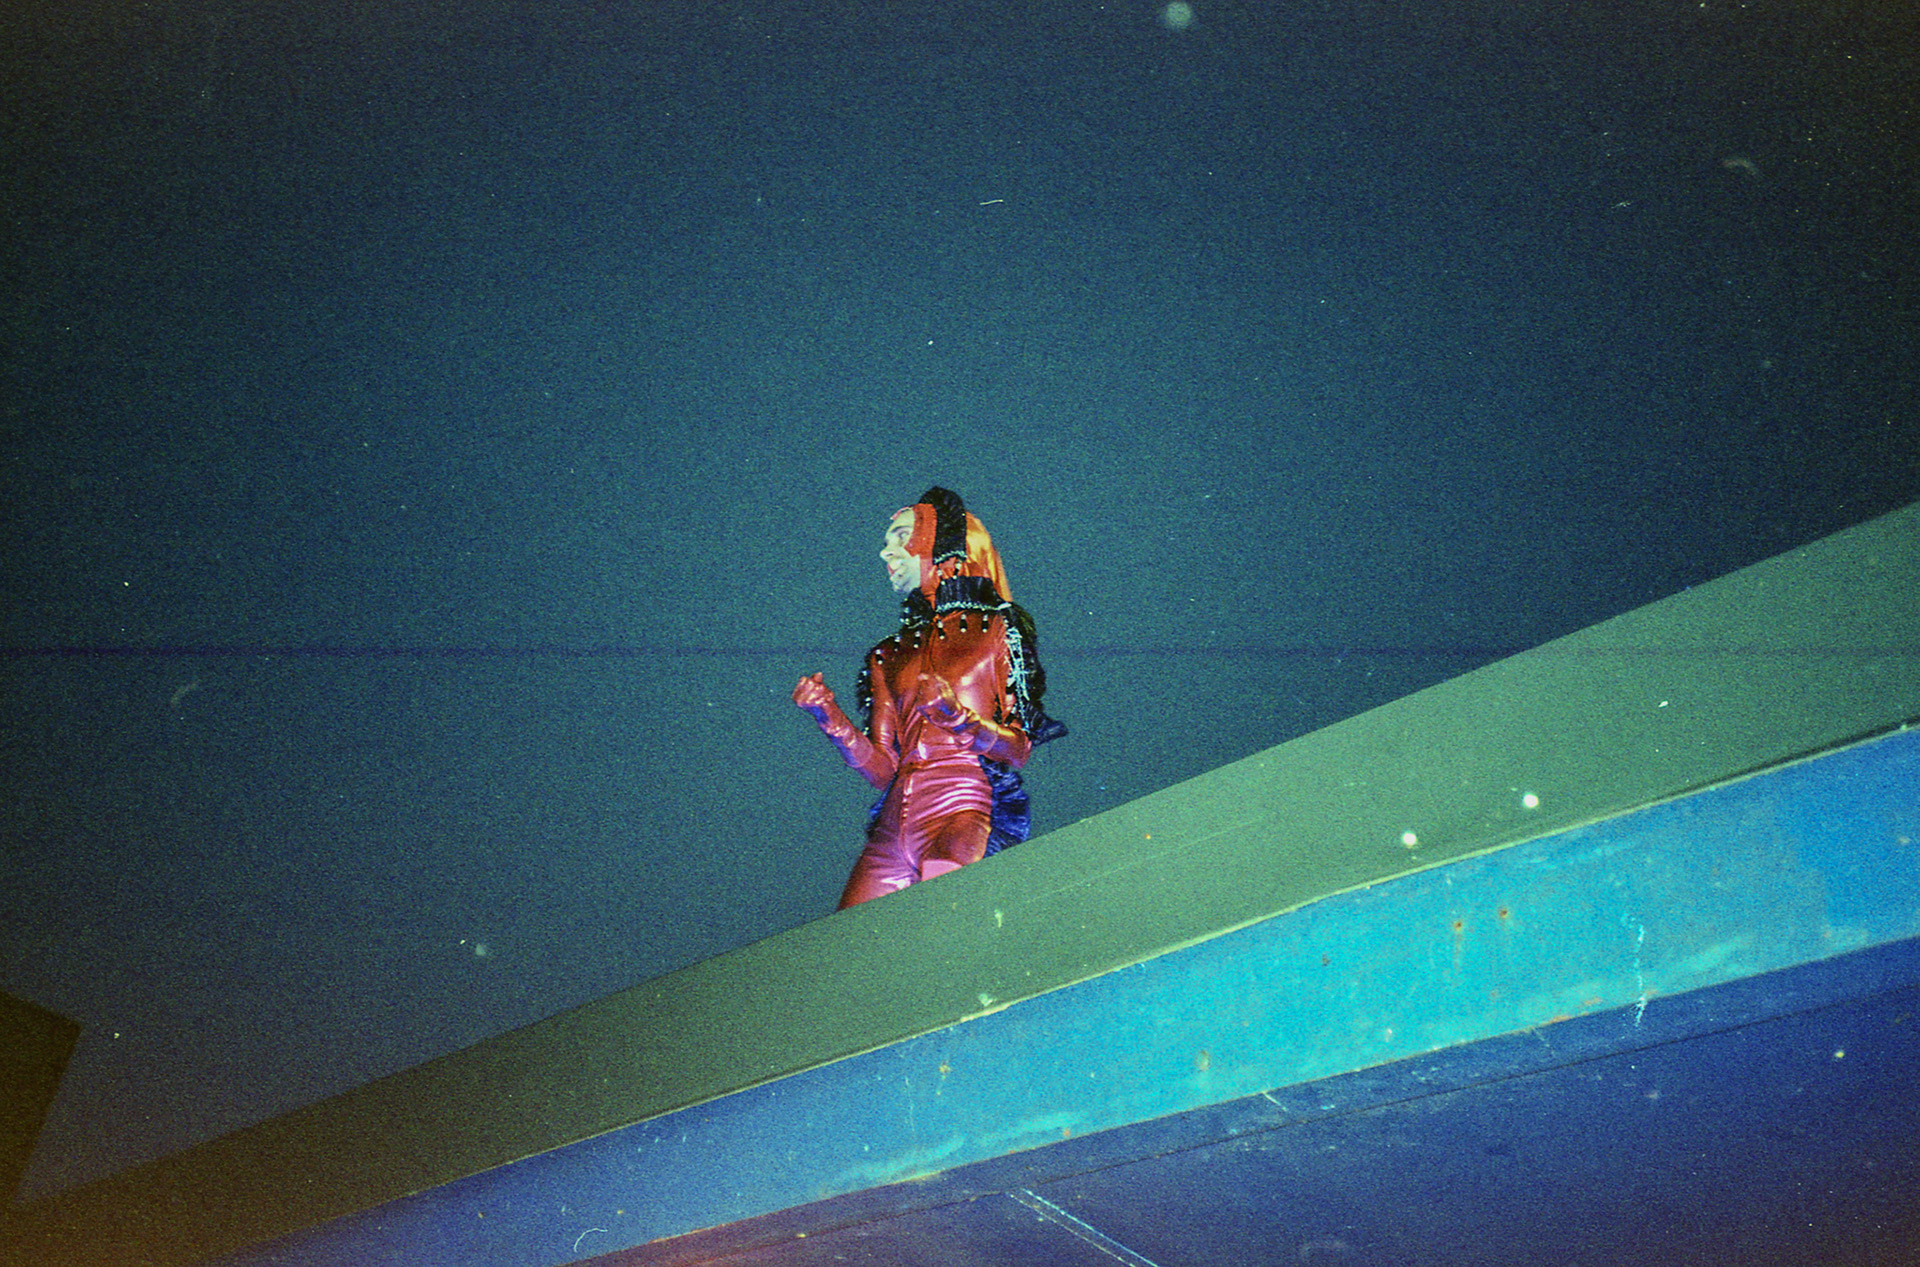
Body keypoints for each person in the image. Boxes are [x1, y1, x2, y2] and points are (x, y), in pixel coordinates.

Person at [794, 487, 1066, 908]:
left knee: (944, 917)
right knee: (849, 938)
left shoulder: (996, 631)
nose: (886, 552)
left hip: (961, 808)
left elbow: (1019, 748)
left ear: (941, 543)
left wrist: (957, 717)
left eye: (902, 536)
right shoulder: (888, 655)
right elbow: (884, 770)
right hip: (891, 829)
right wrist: (828, 716)